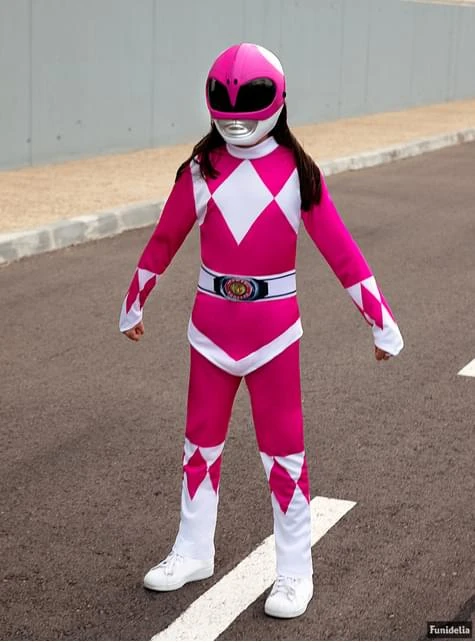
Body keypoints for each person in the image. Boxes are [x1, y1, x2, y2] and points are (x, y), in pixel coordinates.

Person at [119, 43, 403, 619]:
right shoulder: (201, 169)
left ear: (279, 100)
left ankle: (295, 570)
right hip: (209, 333)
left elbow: (341, 251)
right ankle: (193, 550)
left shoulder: (298, 172)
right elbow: (165, 238)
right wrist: (134, 301)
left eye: (250, 98)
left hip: (274, 337)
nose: (236, 114)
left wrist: (381, 323)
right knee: (199, 447)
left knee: (285, 456)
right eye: (225, 101)